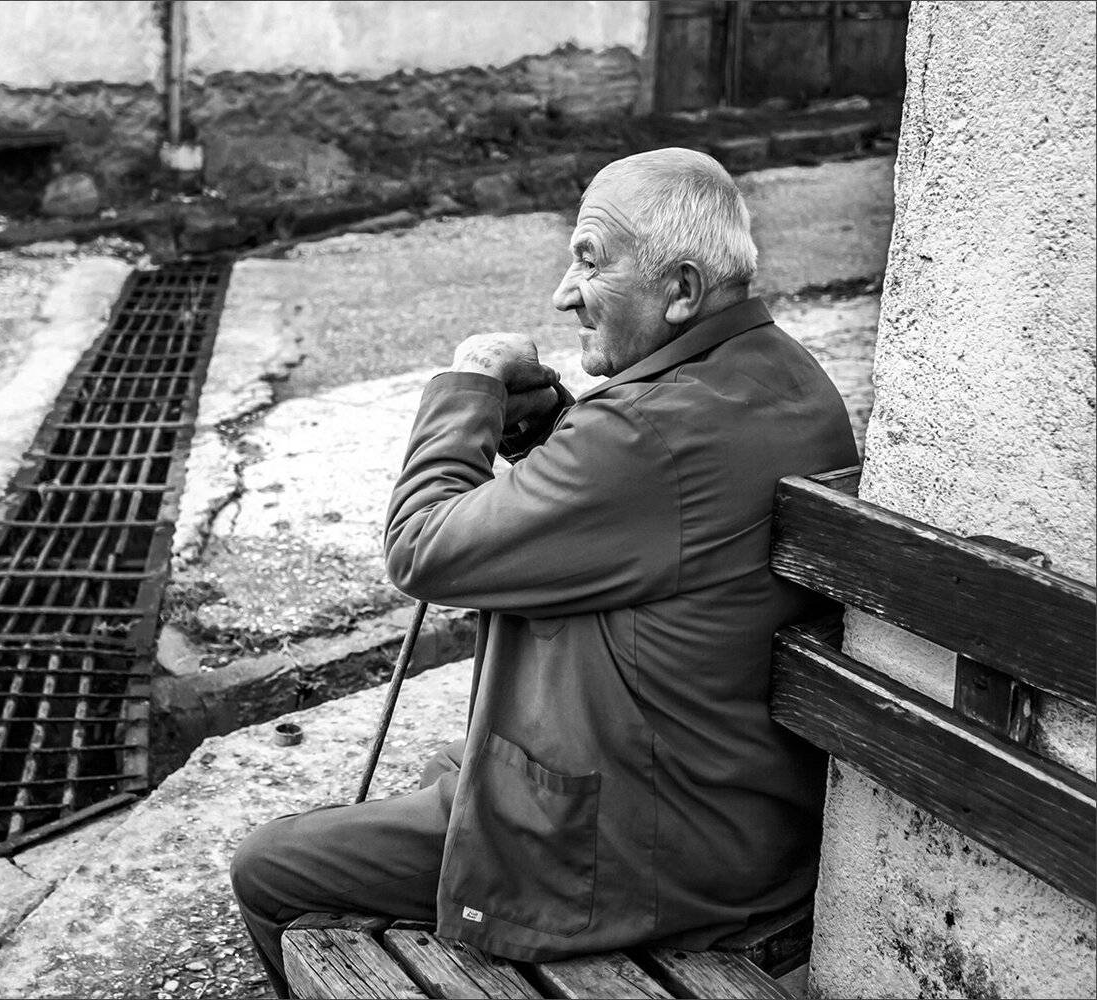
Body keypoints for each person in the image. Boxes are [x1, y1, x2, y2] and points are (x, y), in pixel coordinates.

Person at [230, 147, 859, 996]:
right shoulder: (779, 376)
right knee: (448, 770)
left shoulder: (644, 436)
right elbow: (646, 516)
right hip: (735, 813)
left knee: (270, 867)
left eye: (590, 263)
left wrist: (469, 381)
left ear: (679, 290)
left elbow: (420, 547)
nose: (565, 293)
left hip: (642, 850)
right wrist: (553, 423)